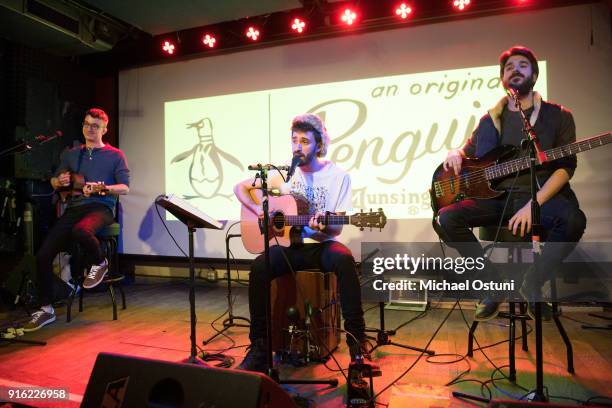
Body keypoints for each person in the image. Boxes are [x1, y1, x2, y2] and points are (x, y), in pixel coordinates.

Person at [435, 46, 586, 321]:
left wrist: (534, 204)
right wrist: (455, 152)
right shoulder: (489, 120)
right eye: (508, 67)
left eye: (523, 65)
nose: (515, 69)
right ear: (503, 78)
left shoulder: (559, 116)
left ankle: (532, 281)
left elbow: (566, 168)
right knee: (446, 218)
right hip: (498, 199)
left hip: (541, 197)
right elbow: (467, 152)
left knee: (574, 220)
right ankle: (492, 283)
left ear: (535, 74)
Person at [234, 113, 372, 373]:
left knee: (343, 259)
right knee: (259, 267)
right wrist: (259, 212)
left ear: (318, 145)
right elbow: (239, 189)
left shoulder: (338, 176)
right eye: (294, 140)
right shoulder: (284, 176)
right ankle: (260, 348)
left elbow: (336, 228)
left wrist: (324, 225)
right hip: (290, 247)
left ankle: (357, 345)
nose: (298, 146)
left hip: (319, 247)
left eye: (305, 141)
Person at [24, 108, 130, 332]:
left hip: (101, 208)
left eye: (95, 125)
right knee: (43, 255)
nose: (89, 129)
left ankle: (100, 261)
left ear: (104, 129)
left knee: (81, 231)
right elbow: (56, 182)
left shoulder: (115, 155)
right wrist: (58, 181)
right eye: (86, 124)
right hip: (75, 208)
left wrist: (105, 188)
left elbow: (125, 187)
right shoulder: (71, 154)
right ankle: (46, 308)